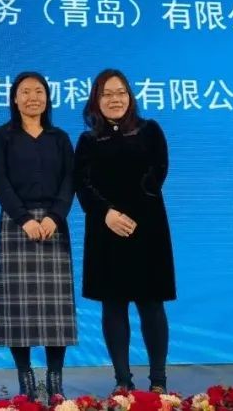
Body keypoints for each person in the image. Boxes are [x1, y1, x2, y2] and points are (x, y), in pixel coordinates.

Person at [74, 68, 176, 393]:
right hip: (106, 230)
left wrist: (134, 211)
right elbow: (81, 184)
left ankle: (158, 381)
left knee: (151, 304)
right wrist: (106, 213)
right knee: (113, 305)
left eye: (120, 93)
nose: (114, 99)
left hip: (148, 229)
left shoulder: (149, 130)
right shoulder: (88, 141)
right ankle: (122, 381)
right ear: (96, 100)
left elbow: (158, 171)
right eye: (106, 94)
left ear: (130, 97)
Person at [0, 71, 77, 401]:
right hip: (17, 223)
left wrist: (56, 216)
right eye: (25, 92)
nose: (32, 98)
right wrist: (24, 219)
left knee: (57, 309)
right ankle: (25, 377)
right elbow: (0, 182)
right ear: (14, 98)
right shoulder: (2, 136)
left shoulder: (60, 138)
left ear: (47, 97)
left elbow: (70, 180)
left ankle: (55, 378)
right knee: (18, 307)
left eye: (38, 91)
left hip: (54, 224)